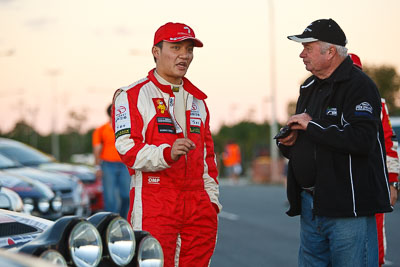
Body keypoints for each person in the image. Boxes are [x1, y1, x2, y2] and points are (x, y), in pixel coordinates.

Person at [277, 18, 393, 266]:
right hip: (311, 204)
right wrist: (289, 142)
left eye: (307, 48)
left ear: (330, 52)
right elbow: (311, 142)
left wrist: (312, 126)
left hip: (347, 210)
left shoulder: (360, 86)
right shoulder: (308, 87)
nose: (301, 54)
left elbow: (362, 140)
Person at [111, 22, 221, 267]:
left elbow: (208, 158)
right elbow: (127, 148)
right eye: (176, 47)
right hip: (155, 199)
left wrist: (211, 201)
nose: (185, 55)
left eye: (189, 49)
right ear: (156, 52)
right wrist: (166, 153)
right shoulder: (131, 95)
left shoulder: (198, 101)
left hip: (198, 203)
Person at [349, 53, 400, 267]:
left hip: (372, 184)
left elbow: (389, 143)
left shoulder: (376, 102)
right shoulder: (322, 98)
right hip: (337, 187)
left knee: (375, 248)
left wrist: (392, 182)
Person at [92, 104, 131, 218]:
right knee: (110, 197)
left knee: (126, 195)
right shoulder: (101, 130)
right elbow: (97, 149)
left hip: (124, 165)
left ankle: (123, 219)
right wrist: (97, 167)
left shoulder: (125, 128)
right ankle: (110, 222)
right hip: (108, 165)